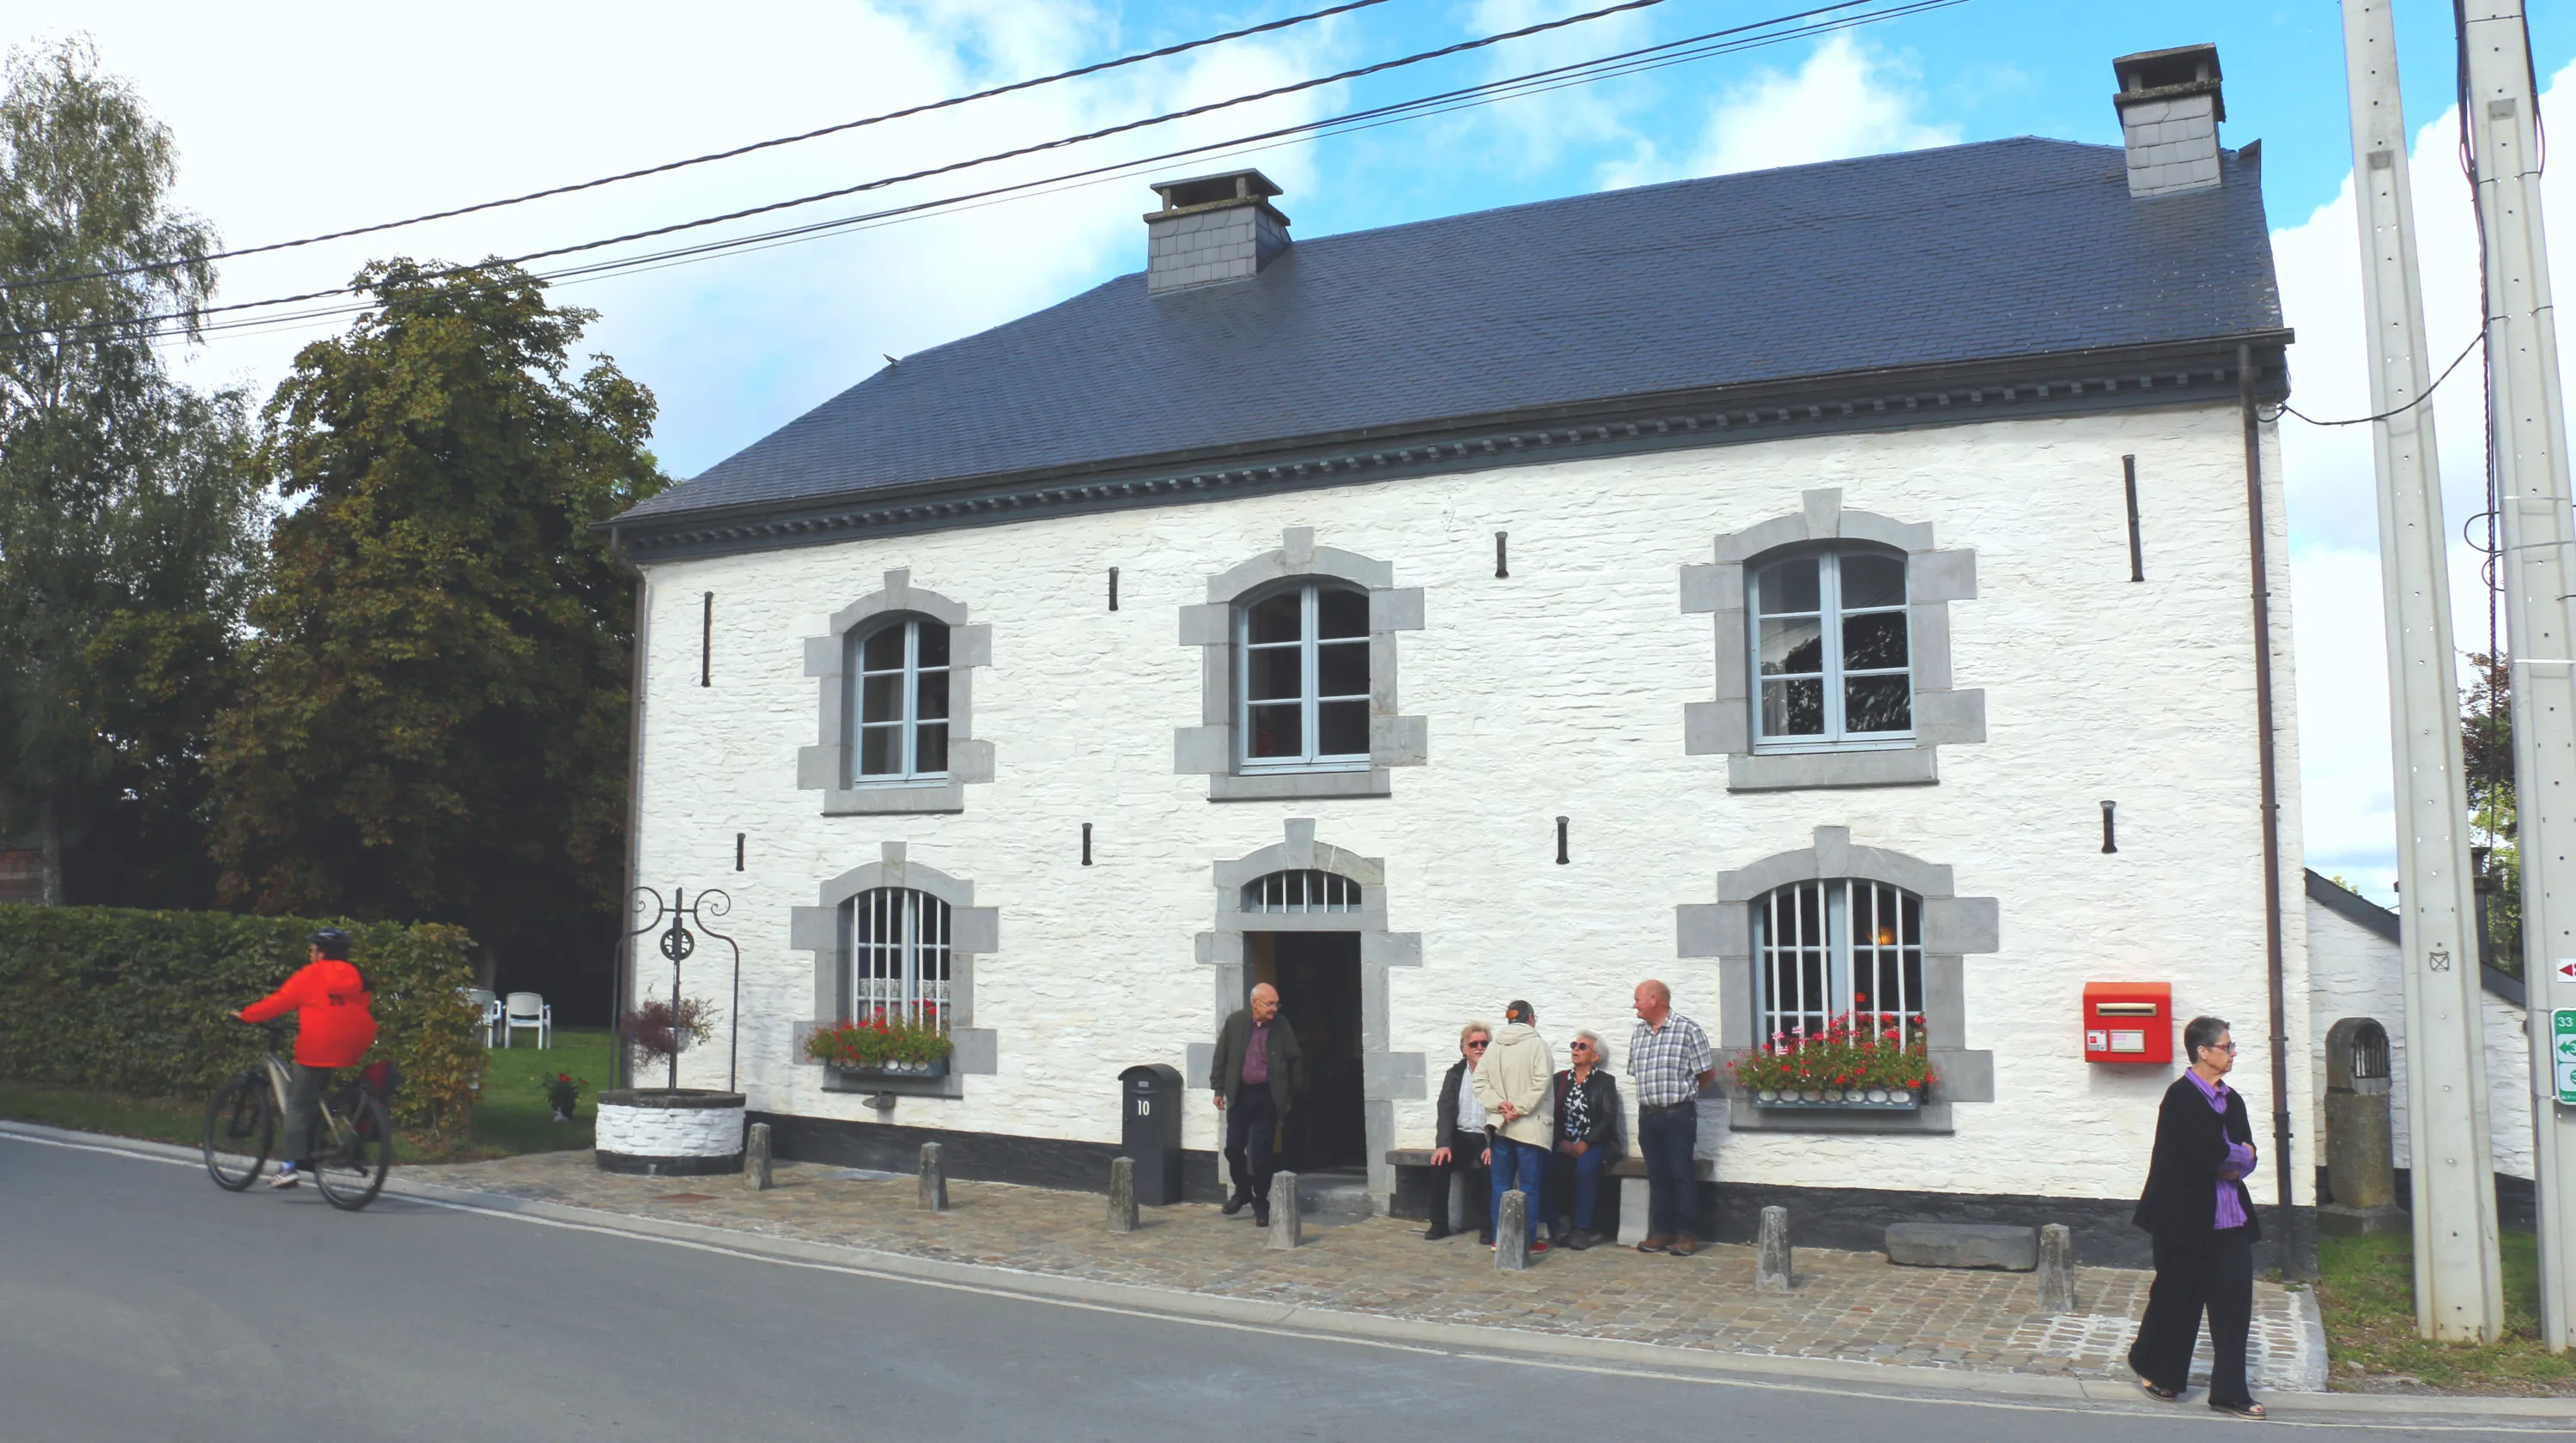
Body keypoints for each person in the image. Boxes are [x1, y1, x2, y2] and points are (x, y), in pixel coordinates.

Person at [2128, 1015, 2266, 1421]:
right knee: (2177, 1298)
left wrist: (2237, 1156)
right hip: (2182, 1218)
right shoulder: (2181, 1098)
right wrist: (2235, 1155)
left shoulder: (2233, 1099)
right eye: (2227, 1046)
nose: (2233, 1052)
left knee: (2234, 1305)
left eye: (2232, 1045)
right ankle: (2154, 1366)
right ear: (2202, 1052)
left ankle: (2230, 1392)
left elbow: (2246, 1156)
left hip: (2230, 1220)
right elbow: (2215, 1156)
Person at [236, 927, 378, 1190]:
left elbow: (280, 1001)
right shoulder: (355, 975)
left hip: (318, 1045)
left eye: (312, 949)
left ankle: (289, 1166)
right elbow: (356, 1005)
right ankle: (317, 1143)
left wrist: (247, 1015)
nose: (310, 953)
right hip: (354, 1042)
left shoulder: (311, 974)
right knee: (316, 1093)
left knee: (296, 1105)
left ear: (321, 953)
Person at [1625, 979, 1714, 1256]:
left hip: (1678, 1115)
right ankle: (1661, 1232)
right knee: (1657, 1175)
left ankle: (1686, 1234)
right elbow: (1635, 1072)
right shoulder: (1638, 1033)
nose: (1634, 1005)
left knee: (1681, 1174)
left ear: (1654, 1000)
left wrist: (1684, 1097)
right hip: (1648, 1116)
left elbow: (1706, 1073)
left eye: (1638, 999)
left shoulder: (1688, 1030)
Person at [1208, 982, 1303, 1228]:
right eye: (1269, 1003)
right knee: (1233, 1147)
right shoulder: (1236, 1022)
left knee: (1261, 1153)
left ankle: (1261, 1200)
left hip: (1268, 1095)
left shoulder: (1281, 1025)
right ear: (1254, 1003)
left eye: (1276, 1003)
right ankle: (1242, 1191)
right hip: (1240, 1094)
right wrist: (1218, 1088)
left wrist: (1288, 1096)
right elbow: (1222, 1056)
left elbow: (1295, 1060)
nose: (1274, 1008)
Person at [1474, 999, 1554, 1255]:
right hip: (1529, 1126)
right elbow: (1542, 1082)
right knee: (1529, 1186)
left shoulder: (1494, 1047)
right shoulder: (1537, 1045)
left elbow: (1480, 1083)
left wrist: (1501, 1106)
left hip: (1501, 1125)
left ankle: (1500, 1238)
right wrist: (1518, 1108)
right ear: (1531, 1018)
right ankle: (1527, 1240)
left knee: (1500, 1184)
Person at [1547, 1029, 1623, 1250]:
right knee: (1540, 1164)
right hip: (1564, 1142)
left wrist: (1585, 1143)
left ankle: (1582, 1228)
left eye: (1582, 1047)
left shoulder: (1605, 1082)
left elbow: (1608, 1118)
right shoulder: (1559, 1080)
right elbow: (1551, 1113)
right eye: (1574, 1045)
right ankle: (1555, 1225)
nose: (1575, 1050)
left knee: (1586, 1166)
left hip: (1596, 1143)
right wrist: (1560, 1140)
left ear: (1595, 1057)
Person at [1424, 1022, 1495, 1243]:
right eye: (1474, 1044)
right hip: (1460, 1136)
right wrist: (1443, 1143)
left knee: (1489, 1168)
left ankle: (1488, 1228)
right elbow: (1444, 1109)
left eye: (1484, 1043)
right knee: (1439, 1164)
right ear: (1464, 1048)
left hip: (1486, 1137)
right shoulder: (1455, 1074)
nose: (1480, 1048)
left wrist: (1494, 1145)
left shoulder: (1498, 1074)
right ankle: (1439, 1225)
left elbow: (1502, 1109)